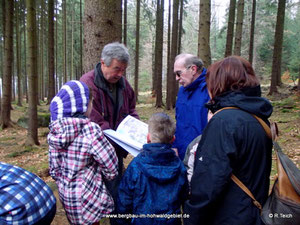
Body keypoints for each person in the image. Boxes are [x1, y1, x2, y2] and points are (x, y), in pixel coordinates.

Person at [184, 56, 273, 225]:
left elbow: (208, 182)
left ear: (219, 83)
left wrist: (191, 217)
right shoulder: (258, 118)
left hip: (228, 216)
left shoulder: (224, 121)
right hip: (253, 212)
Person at [48, 80, 118, 225]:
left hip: (67, 198)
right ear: (82, 105)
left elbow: (54, 171)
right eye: (91, 103)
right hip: (89, 198)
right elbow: (111, 167)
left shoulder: (55, 131)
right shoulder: (90, 129)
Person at [80, 42, 139, 205]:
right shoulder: (87, 83)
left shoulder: (124, 85)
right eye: (117, 69)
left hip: (118, 148)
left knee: (116, 189)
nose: (120, 74)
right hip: (96, 151)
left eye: (123, 70)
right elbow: (94, 121)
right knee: (95, 194)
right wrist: (118, 139)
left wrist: (136, 129)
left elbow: (131, 109)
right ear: (103, 62)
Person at [116, 113, 188, 225]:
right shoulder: (180, 167)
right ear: (173, 139)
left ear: (148, 137)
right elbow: (186, 200)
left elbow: (123, 203)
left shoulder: (135, 166)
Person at [172, 54, 210, 160]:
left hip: (202, 156)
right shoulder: (182, 91)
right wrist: (175, 145)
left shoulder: (211, 89)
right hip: (182, 153)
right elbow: (179, 121)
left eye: (179, 73)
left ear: (193, 69)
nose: (176, 78)